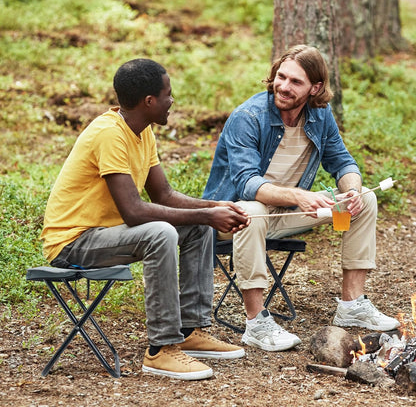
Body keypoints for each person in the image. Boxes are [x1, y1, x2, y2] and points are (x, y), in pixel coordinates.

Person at [40, 58, 250, 381]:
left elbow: (164, 194)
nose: (172, 101)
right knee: (160, 233)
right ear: (149, 101)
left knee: (196, 226)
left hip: (106, 233)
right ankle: (161, 350)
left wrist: (213, 207)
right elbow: (134, 212)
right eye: (168, 94)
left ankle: (190, 330)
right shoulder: (109, 134)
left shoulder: (142, 130)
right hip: (73, 242)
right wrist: (208, 212)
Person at [203, 44, 400, 352]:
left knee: (365, 200)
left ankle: (351, 304)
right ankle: (256, 323)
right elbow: (246, 184)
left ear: (315, 87)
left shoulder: (320, 115)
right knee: (251, 211)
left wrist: (351, 188)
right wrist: (298, 195)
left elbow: (342, 161)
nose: (283, 86)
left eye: (295, 82)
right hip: (230, 217)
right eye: (281, 77)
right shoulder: (248, 117)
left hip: (287, 213)